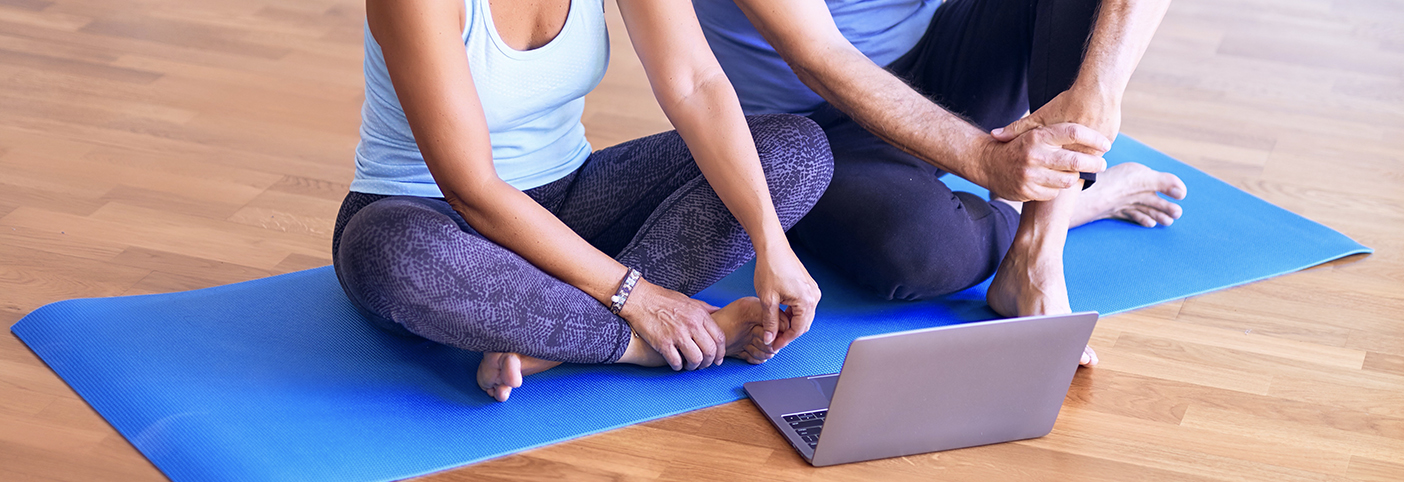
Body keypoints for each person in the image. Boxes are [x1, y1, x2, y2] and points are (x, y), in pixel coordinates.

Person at [332, 0, 833, 402]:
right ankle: (637, 345)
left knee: (796, 152)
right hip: (433, 215)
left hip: (571, 196)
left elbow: (695, 83)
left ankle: (550, 339)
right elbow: (472, 190)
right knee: (392, 253)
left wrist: (772, 243)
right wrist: (641, 301)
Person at [694, 0, 1190, 366]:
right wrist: (984, 161)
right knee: (924, 250)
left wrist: (1100, 87)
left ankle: (1037, 253)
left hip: (938, 54)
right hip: (810, 131)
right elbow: (818, 57)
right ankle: (1065, 205)